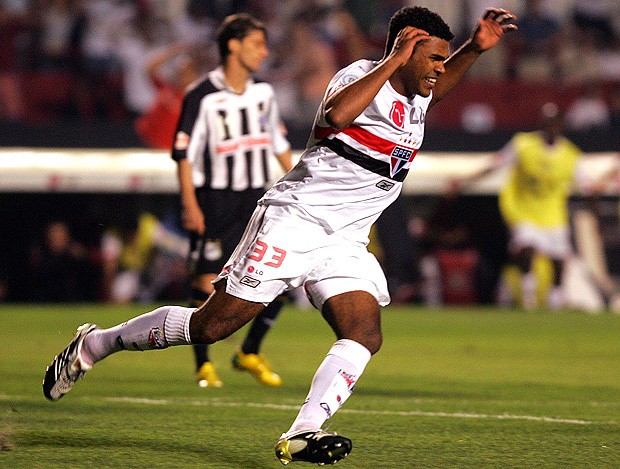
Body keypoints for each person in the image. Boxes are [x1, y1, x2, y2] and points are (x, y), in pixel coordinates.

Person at [43, 6, 516, 465]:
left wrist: (474, 49)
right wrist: (392, 59)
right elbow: (332, 117)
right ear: (404, 50)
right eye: (432, 57)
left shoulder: (419, 91)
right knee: (211, 325)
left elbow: (438, 81)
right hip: (295, 220)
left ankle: (302, 432)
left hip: (344, 238)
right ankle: (96, 344)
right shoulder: (360, 77)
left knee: (364, 332)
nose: (439, 69)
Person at [173, 14, 293, 388]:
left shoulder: (264, 94)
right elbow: (184, 154)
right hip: (215, 201)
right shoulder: (202, 95)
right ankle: (203, 365)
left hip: (259, 199)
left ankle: (249, 352)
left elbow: (280, 146)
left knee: (277, 277)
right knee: (207, 283)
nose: (265, 52)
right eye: (257, 44)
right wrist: (190, 204)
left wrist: (297, 189)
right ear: (233, 46)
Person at [453, 102, 586, 309]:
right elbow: (496, 164)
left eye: (555, 123)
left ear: (562, 125)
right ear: (541, 124)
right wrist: (465, 181)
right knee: (526, 250)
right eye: (547, 122)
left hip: (554, 217)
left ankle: (556, 301)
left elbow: (586, 186)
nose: (551, 128)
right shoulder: (523, 144)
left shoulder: (571, 155)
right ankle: (528, 295)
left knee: (559, 261)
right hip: (523, 213)